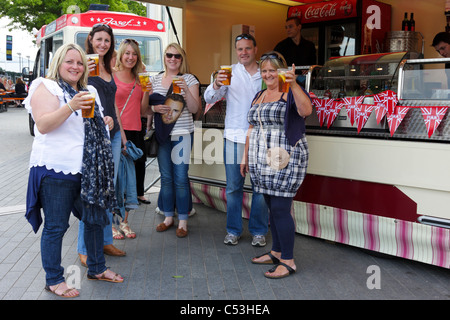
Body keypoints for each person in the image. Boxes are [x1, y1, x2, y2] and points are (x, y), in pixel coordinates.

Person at [24, 43, 123, 298]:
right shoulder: (46, 86)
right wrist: (70, 106)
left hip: (88, 170)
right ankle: (54, 279)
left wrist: (107, 121)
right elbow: (43, 125)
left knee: (94, 220)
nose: (76, 67)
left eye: (79, 63)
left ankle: (97, 268)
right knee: (56, 226)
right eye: (70, 62)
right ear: (58, 62)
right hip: (56, 169)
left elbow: (95, 122)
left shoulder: (89, 89)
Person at [241, 51, 312, 279]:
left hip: (286, 157)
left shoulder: (289, 92)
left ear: (281, 70)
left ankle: (288, 260)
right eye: (264, 70)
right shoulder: (260, 94)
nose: (268, 74)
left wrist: (294, 85)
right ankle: (277, 251)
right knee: (272, 206)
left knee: (281, 208)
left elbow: (306, 111)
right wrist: (245, 157)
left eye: (272, 70)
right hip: (262, 158)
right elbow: (252, 128)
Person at [204, 34, 269, 247]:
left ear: (255, 49)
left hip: (260, 138)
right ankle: (233, 230)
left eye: (247, 48)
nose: (243, 52)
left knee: (260, 188)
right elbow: (209, 99)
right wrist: (215, 83)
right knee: (233, 187)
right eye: (240, 49)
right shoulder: (229, 72)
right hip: (233, 137)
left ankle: (259, 231)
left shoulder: (266, 73)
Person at [77, 23, 126, 267]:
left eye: (107, 40)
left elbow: (113, 103)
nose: (103, 44)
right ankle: (84, 248)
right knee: (92, 192)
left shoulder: (109, 66)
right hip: (94, 134)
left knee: (108, 190)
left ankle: (106, 240)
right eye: (99, 39)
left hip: (113, 134)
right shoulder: (83, 65)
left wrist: (122, 134)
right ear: (91, 39)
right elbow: (79, 98)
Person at [150, 43, 200, 238]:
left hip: (182, 134)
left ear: (182, 59)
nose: (173, 59)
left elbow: (195, 109)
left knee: (180, 178)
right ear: (164, 57)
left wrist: (186, 90)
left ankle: (183, 221)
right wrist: (154, 109)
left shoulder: (189, 78)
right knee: (166, 177)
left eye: (177, 56)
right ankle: (168, 217)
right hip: (162, 134)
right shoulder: (154, 79)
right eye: (169, 55)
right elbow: (145, 109)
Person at [113, 38, 152, 238]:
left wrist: (147, 92)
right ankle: (112, 223)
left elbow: (143, 110)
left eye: (134, 53)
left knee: (131, 179)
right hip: (117, 132)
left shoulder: (140, 79)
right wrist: (122, 137)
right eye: (127, 53)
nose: (130, 57)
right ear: (121, 54)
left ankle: (125, 221)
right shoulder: (112, 75)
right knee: (116, 178)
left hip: (135, 131)